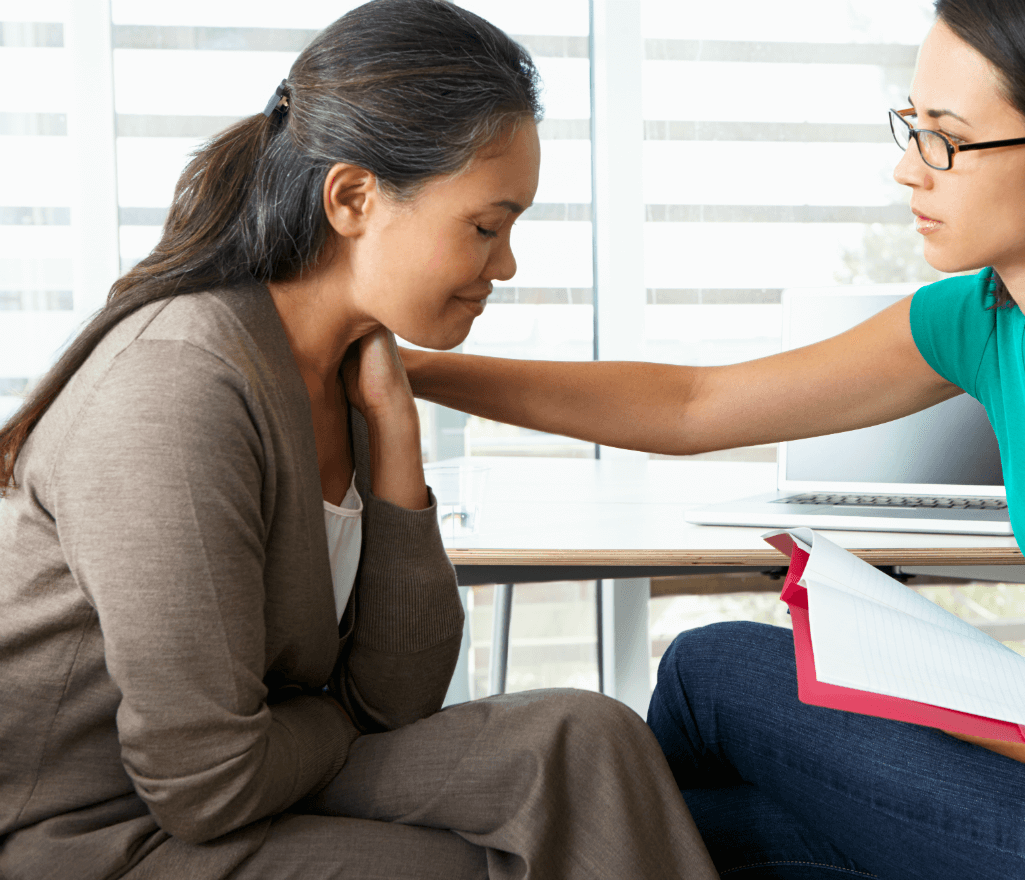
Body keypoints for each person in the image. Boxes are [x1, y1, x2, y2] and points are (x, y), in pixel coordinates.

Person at [399, 0, 1025, 877]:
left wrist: (961, 708)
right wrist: (415, 372)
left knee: (712, 669)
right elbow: (693, 407)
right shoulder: (992, 322)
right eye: (911, 124)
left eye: (947, 140)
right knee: (693, 838)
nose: (908, 169)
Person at [0, 2, 722, 878]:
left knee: (584, 737)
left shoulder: (346, 374)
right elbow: (205, 784)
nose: (506, 266)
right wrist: (333, 715)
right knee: (469, 866)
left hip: (258, 775)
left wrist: (395, 440)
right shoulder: (177, 389)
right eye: (486, 226)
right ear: (352, 198)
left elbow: (397, 697)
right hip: (100, 833)